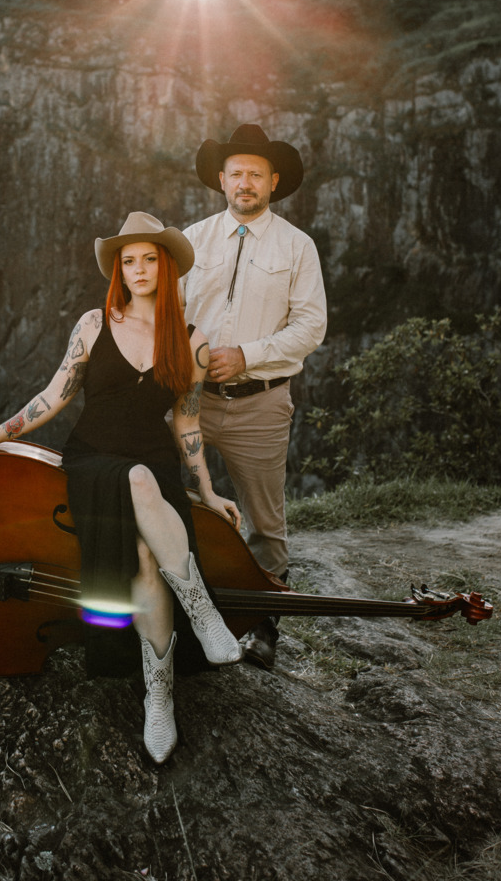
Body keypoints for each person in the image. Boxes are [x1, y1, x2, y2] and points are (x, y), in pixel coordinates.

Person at [0, 211, 242, 764]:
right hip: (93, 461)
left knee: (145, 557)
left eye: (147, 259)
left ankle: (161, 691)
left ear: (166, 266)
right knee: (133, 481)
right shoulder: (94, 323)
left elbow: (187, 423)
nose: (137, 269)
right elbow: (53, 396)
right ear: (119, 269)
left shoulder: (193, 342)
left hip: (155, 467)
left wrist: (206, 489)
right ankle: (201, 612)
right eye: (127, 261)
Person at [179, 124, 327, 670]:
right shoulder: (191, 241)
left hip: (261, 402)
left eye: (256, 175)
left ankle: (263, 627)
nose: (245, 182)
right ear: (221, 179)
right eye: (236, 173)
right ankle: (183, 615)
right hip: (190, 401)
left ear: (274, 181)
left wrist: (247, 354)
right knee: (172, 501)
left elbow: (311, 326)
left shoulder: (296, 246)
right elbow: (167, 315)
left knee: (265, 521)